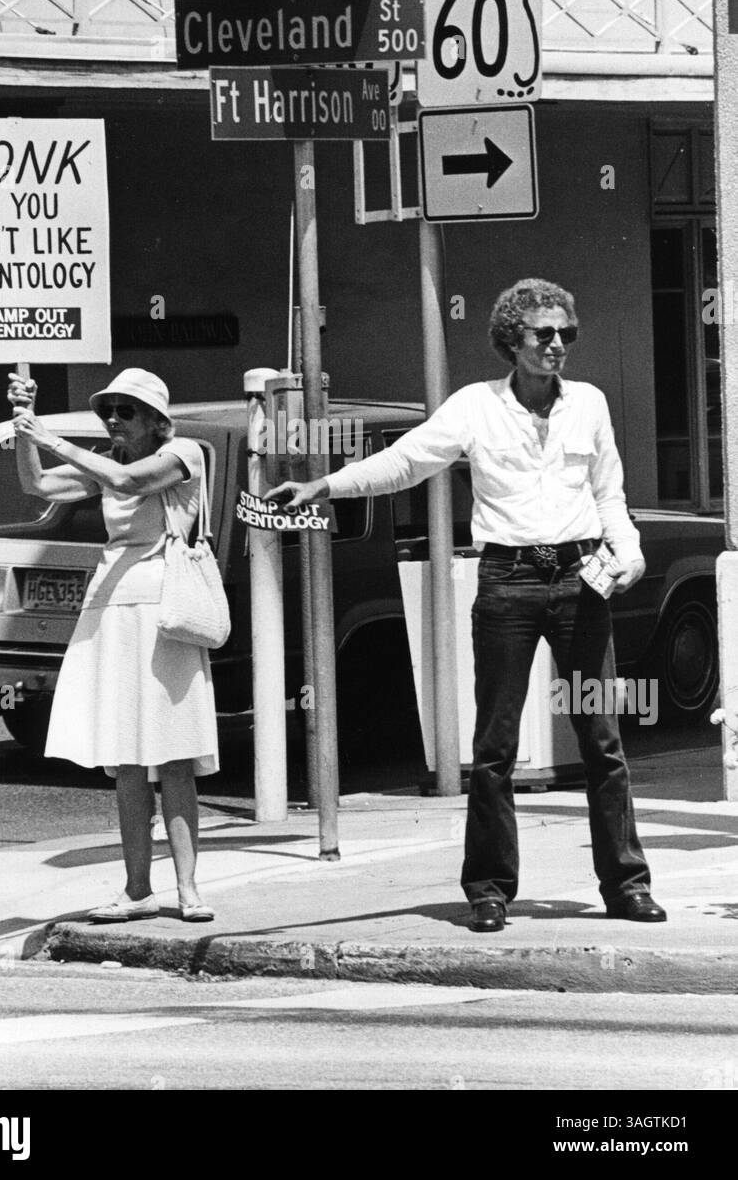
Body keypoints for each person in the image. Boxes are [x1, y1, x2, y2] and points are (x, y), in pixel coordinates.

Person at [267, 278, 666, 933]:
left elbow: (608, 493)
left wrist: (628, 552)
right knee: (494, 747)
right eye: (544, 334)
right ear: (511, 339)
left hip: (579, 582)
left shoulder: (588, 404)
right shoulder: (473, 408)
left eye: (566, 333)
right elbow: (403, 462)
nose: (558, 345)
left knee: (602, 741)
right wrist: (323, 485)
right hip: (506, 584)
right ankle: (487, 889)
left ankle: (625, 886)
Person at [8, 367, 217, 924]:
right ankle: (136, 888)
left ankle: (189, 889)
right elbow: (38, 487)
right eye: (109, 411)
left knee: (173, 757)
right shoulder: (104, 466)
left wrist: (51, 436)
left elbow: (129, 483)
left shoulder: (185, 454)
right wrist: (23, 430)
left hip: (165, 611)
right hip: (110, 611)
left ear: (156, 420)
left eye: (127, 411)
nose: (115, 421)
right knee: (127, 759)